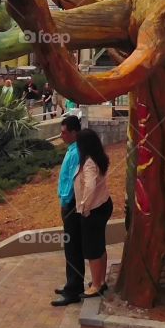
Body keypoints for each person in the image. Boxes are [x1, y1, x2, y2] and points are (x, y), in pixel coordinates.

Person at [75, 128, 114, 298]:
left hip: (94, 209)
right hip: (104, 204)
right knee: (99, 245)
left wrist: (84, 207)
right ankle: (101, 281)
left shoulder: (89, 162)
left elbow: (90, 186)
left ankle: (96, 285)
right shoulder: (99, 158)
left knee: (92, 249)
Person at [51, 115, 84, 307]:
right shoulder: (72, 149)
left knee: (73, 248)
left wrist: (65, 202)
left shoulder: (76, 152)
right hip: (68, 203)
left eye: (64, 132)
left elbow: (73, 182)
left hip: (71, 204)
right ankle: (71, 283)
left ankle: (73, 289)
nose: (61, 135)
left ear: (74, 132)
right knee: (70, 247)